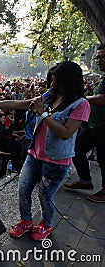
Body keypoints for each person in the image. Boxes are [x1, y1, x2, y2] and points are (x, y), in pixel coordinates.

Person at [0, 61, 90, 240]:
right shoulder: (50, 96)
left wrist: (43, 114)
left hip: (55, 160)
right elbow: (19, 104)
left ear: (68, 82)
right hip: (34, 154)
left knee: (45, 196)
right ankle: (26, 221)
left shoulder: (81, 104)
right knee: (23, 189)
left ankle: (46, 224)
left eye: (56, 81)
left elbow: (66, 133)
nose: (52, 84)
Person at [64, 44, 105, 203]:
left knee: (103, 158)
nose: (99, 60)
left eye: (102, 57)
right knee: (77, 148)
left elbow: (102, 99)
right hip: (93, 126)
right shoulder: (102, 79)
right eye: (98, 57)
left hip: (103, 127)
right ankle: (85, 180)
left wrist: (81, 100)